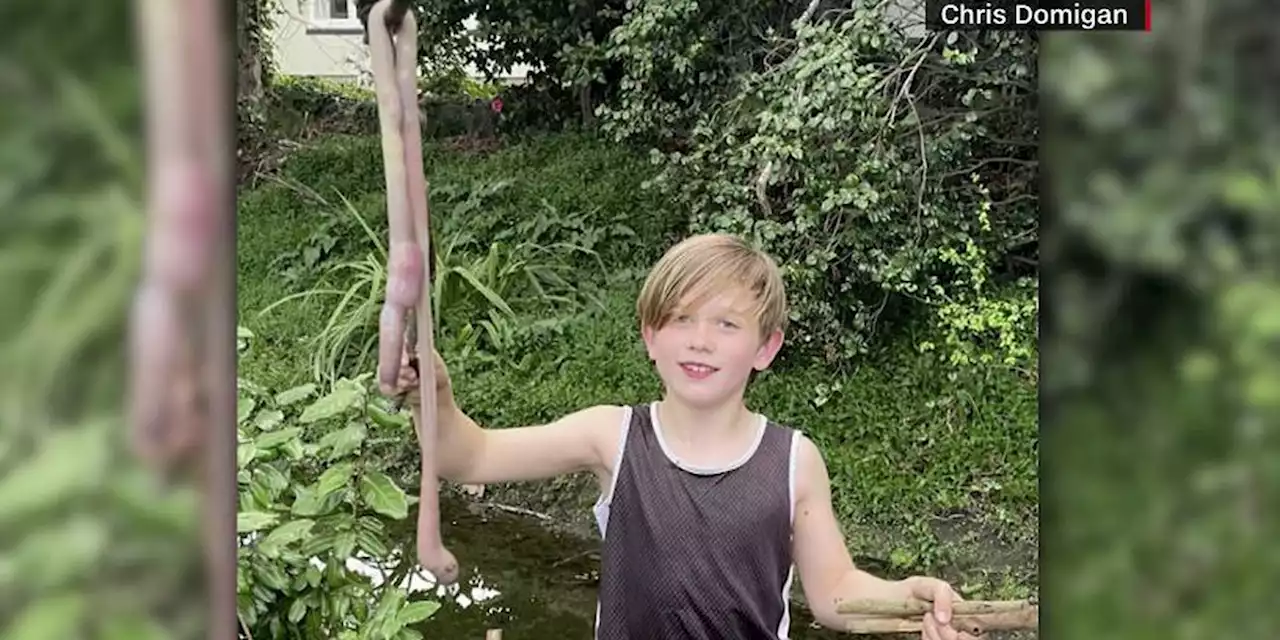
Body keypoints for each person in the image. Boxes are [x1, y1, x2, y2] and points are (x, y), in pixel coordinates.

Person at [389, 234, 983, 640]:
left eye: (726, 324)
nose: (700, 340)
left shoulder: (794, 461)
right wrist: (434, 397)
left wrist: (907, 601)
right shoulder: (612, 436)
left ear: (766, 348)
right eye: (681, 319)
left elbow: (834, 593)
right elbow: (469, 457)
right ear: (651, 337)